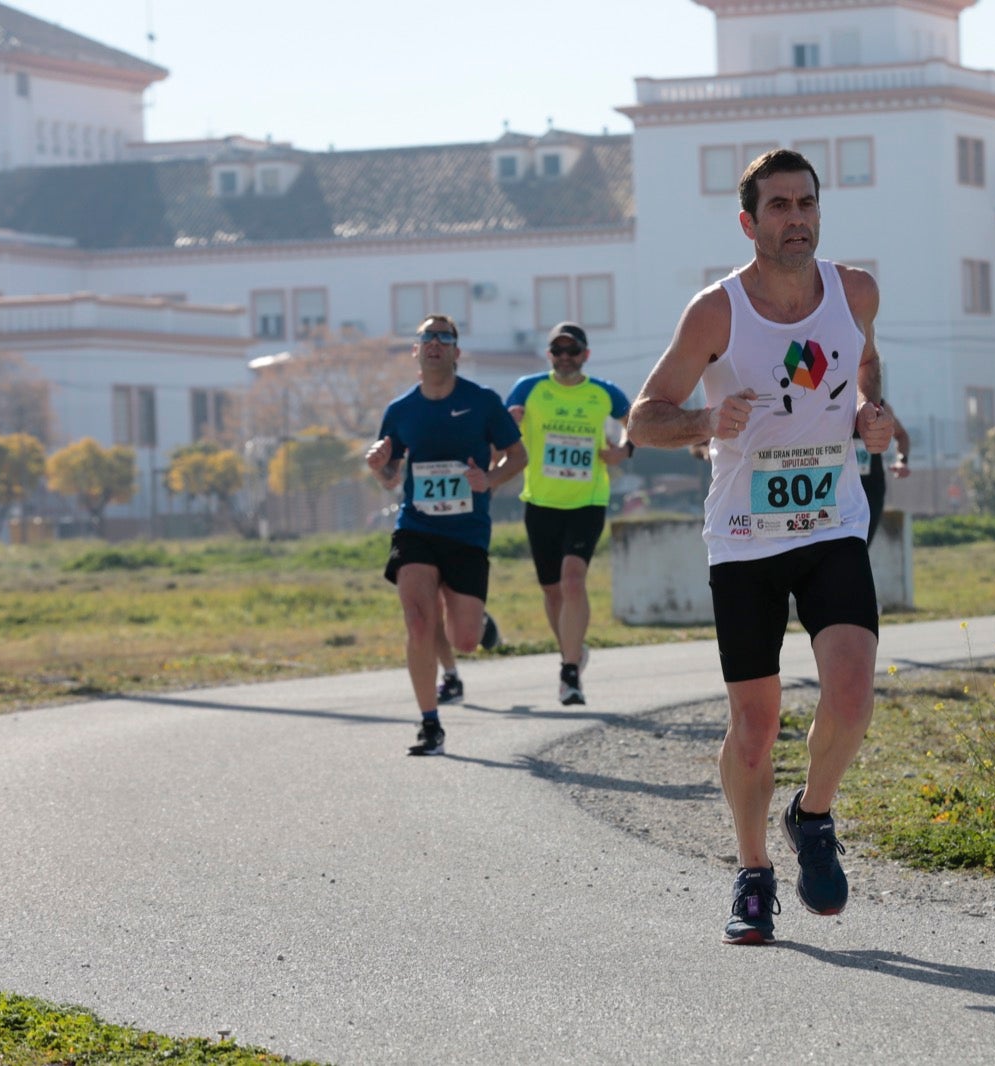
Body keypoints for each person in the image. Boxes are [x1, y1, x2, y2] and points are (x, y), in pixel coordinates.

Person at [628, 147, 896, 945]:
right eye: (778, 206)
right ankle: (752, 873)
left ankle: (812, 816)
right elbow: (644, 418)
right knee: (755, 725)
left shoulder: (855, 292)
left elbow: (867, 363)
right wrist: (707, 423)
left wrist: (871, 415)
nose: (796, 219)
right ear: (749, 223)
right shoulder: (717, 312)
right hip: (744, 538)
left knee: (851, 695)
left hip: (831, 523)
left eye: (805, 203)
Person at [365, 314, 527, 755]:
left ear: (456, 351)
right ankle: (429, 723)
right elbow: (390, 475)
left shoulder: (483, 402)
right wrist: (380, 465)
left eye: (444, 337)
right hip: (416, 527)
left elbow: (518, 456)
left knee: (465, 639)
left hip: (467, 532)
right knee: (418, 620)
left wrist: (489, 481)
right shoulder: (400, 411)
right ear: (416, 351)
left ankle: (479, 623)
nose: (435, 342)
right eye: (427, 337)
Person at [505, 322, 633, 706]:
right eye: (556, 351)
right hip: (541, 502)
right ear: (549, 355)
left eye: (571, 351)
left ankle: (569, 672)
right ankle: (573, 652)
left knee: (573, 580)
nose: (564, 358)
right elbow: (503, 428)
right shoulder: (528, 388)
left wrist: (624, 451)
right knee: (552, 591)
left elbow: (636, 424)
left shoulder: (604, 392)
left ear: (585, 354)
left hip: (587, 500)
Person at [855, 400, 910, 546]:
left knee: (859, 549)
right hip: (836, 491)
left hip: (869, 492)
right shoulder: (827, 402)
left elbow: (902, 435)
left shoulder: (877, 406)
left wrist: (902, 461)